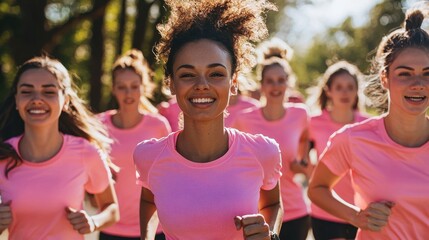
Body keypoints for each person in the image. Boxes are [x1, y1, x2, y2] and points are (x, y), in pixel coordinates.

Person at [134, 0, 283, 239]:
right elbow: (148, 200)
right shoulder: (148, 156)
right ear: (171, 83)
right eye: (187, 74)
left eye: (215, 74)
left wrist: (271, 233)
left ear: (233, 83)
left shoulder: (263, 152)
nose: (201, 85)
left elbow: (273, 204)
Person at [308, 7, 429, 239]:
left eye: (427, 73)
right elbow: (316, 189)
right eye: (404, 74)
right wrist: (355, 216)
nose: (418, 83)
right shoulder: (354, 139)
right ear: (385, 78)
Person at [0, 56, 119, 239]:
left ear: (65, 100)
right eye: (26, 91)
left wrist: (93, 222)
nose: (37, 99)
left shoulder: (85, 152)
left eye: (48, 92)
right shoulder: (3, 155)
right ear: (16, 99)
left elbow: (112, 209)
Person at [232, 38, 313, 240]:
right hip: (257, 215)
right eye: (270, 81)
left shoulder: (300, 114)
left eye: (281, 80)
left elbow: (305, 140)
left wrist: (301, 163)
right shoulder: (243, 119)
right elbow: (229, 157)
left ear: (288, 82)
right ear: (261, 85)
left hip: (296, 211)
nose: (276, 86)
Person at [97, 49, 171, 240]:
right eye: (121, 87)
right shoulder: (98, 125)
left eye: (134, 86)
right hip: (112, 227)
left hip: (153, 228)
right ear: (113, 88)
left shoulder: (158, 125)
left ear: (143, 87)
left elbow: (172, 172)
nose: (128, 93)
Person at [308, 61, 367, 240]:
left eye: (350, 87)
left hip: (361, 211)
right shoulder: (312, 123)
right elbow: (299, 159)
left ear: (357, 91)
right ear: (328, 91)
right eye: (339, 87)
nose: (344, 92)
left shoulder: (368, 125)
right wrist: (313, 174)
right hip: (325, 211)